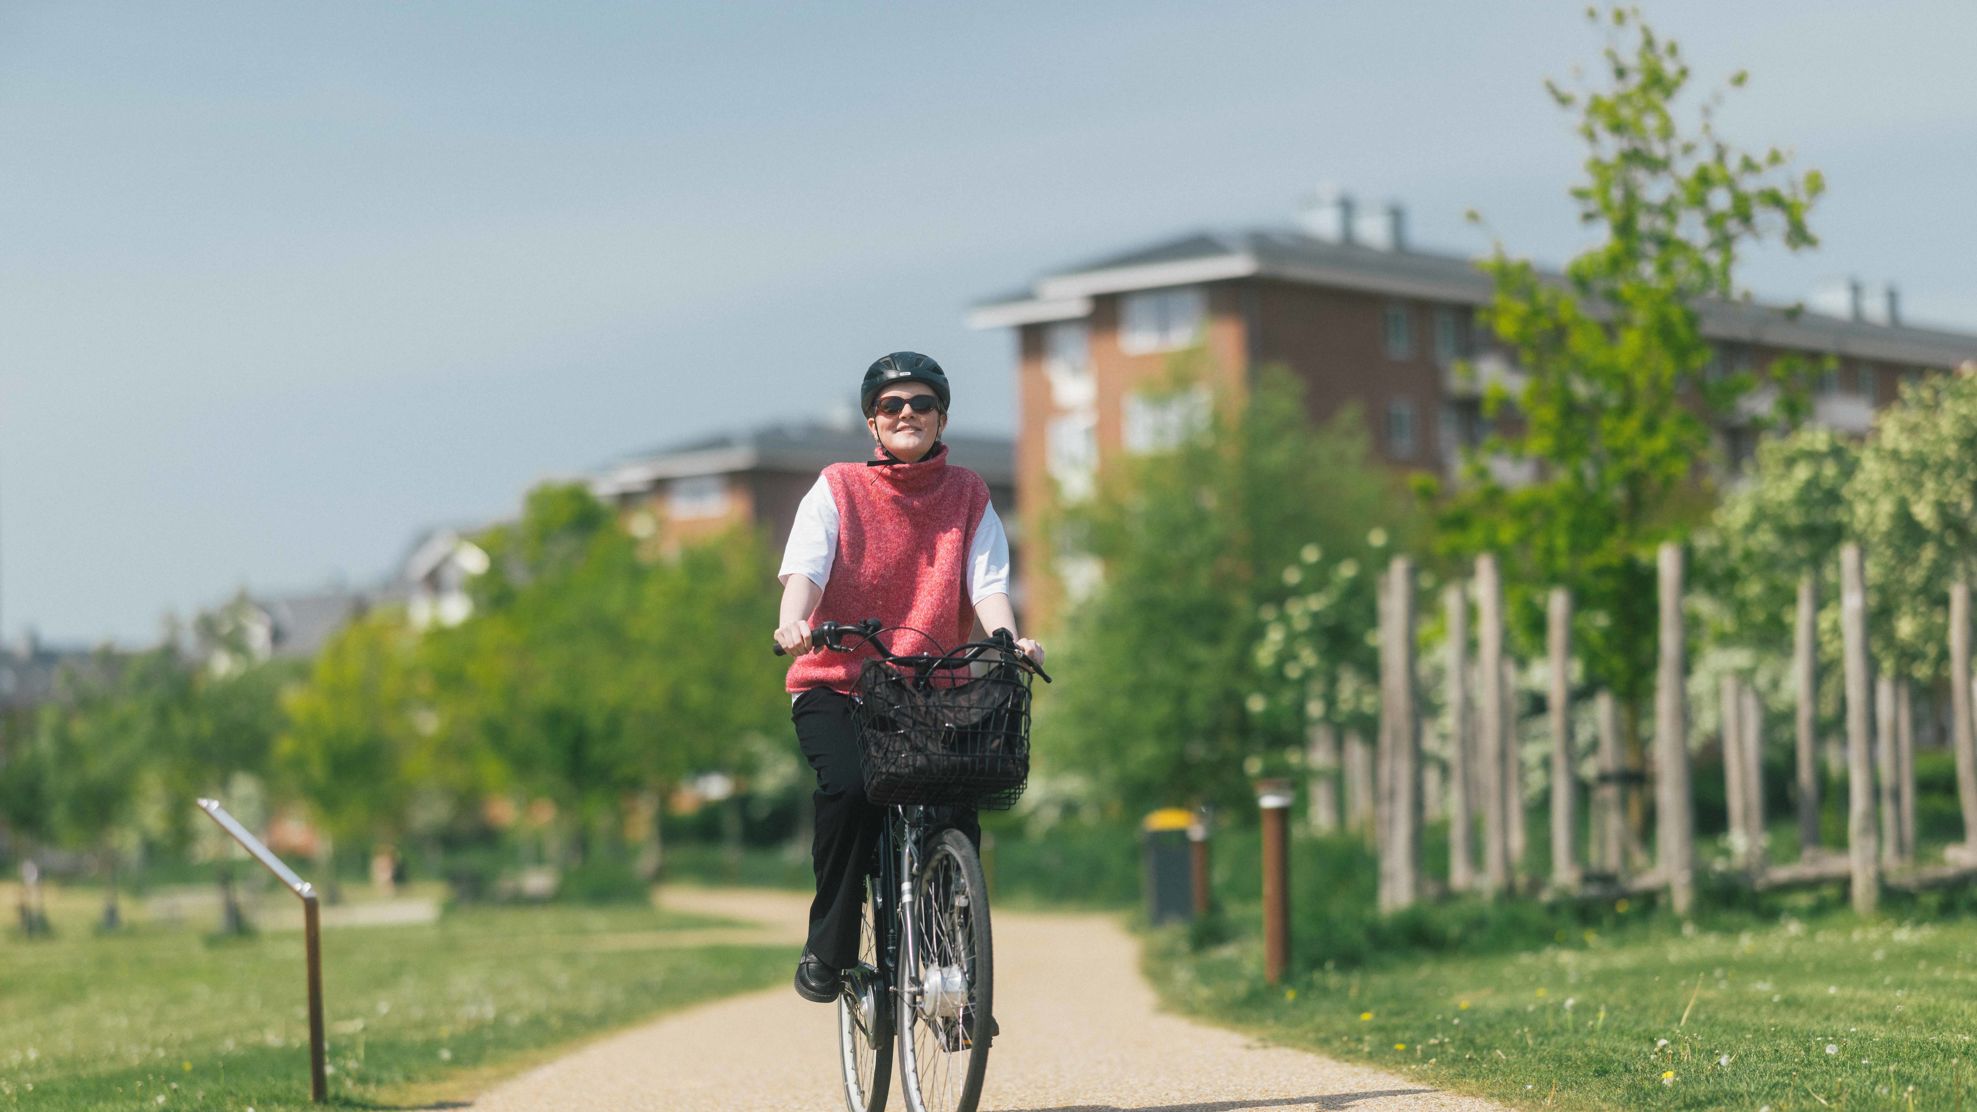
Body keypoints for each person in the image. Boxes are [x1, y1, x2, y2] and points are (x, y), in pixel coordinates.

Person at [774, 351, 1042, 1004]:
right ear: (872, 422)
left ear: (941, 417)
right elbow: (806, 568)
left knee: (955, 800)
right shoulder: (837, 487)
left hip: (928, 687)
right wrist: (794, 620)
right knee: (849, 791)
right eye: (891, 405)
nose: (906, 415)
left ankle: (955, 969)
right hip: (837, 680)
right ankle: (830, 948)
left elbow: (987, 582)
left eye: (921, 403)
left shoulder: (968, 492)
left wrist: (1007, 638)